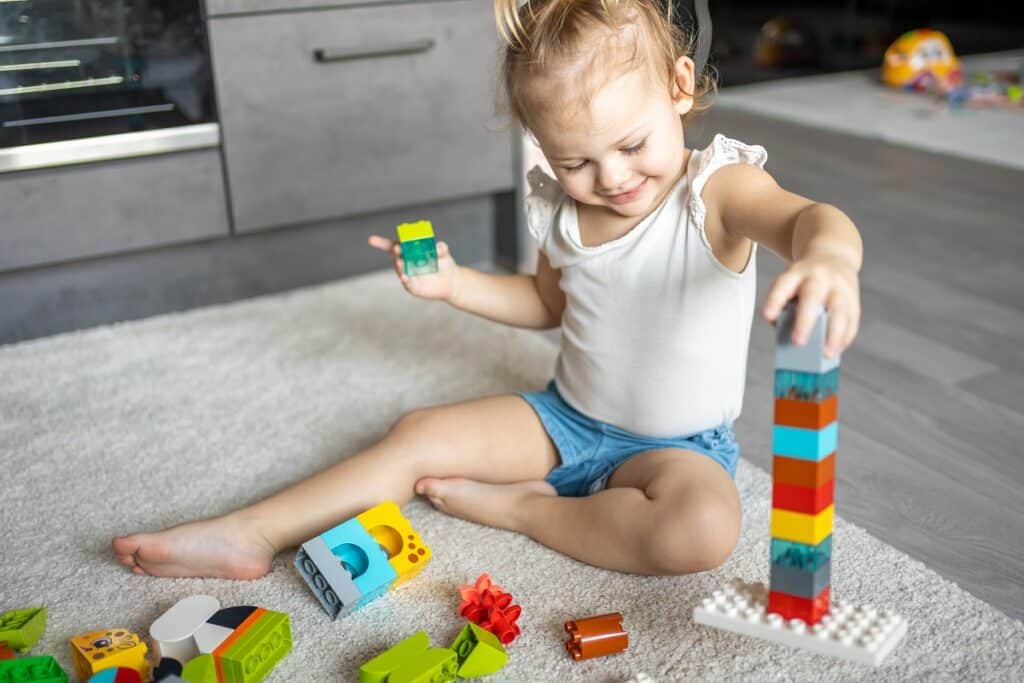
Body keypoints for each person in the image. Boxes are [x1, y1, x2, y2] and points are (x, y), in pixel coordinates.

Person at [112, 0, 861, 580]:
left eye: (631, 145)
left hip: (675, 449)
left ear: (678, 87)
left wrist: (828, 259)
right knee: (418, 433)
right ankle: (252, 532)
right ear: (542, 147)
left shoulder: (716, 189)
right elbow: (546, 307)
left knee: (701, 530)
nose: (611, 178)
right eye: (576, 161)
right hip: (567, 420)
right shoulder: (567, 213)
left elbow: (811, 221)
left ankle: (532, 512)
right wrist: (454, 285)